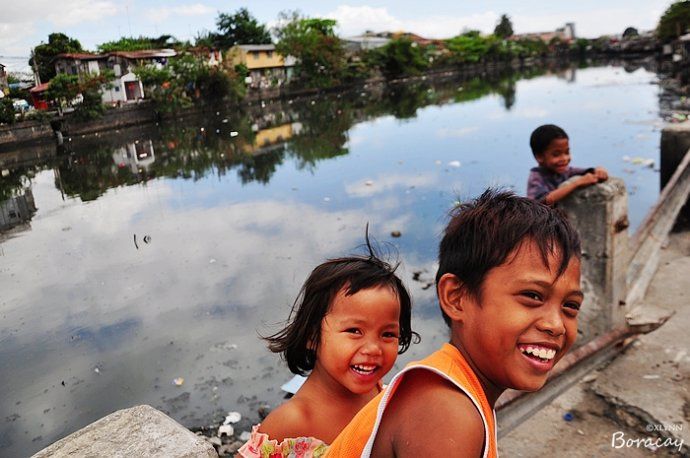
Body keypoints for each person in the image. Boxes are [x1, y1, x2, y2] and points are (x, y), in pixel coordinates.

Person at [326, 190, 584, 458]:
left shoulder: (455, 390)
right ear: (457, 298)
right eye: (532, 296)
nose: (556, 325)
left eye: (570, 306)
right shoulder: (445, 410)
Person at [237, 246, 418, 458]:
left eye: (388, 334)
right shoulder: (291, 422)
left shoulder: (384, 397)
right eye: (354, 331)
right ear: (312, 336)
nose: (373, 348)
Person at [527, 124, 608, 205]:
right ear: (540, 157)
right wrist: (576, 183)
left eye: (567, 152)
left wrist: (598, 170)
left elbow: (585, 171)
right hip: (542, 217)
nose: (564, 158)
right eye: (556, 154)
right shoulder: (536, 178)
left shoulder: (564, 171)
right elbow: (544, 201)